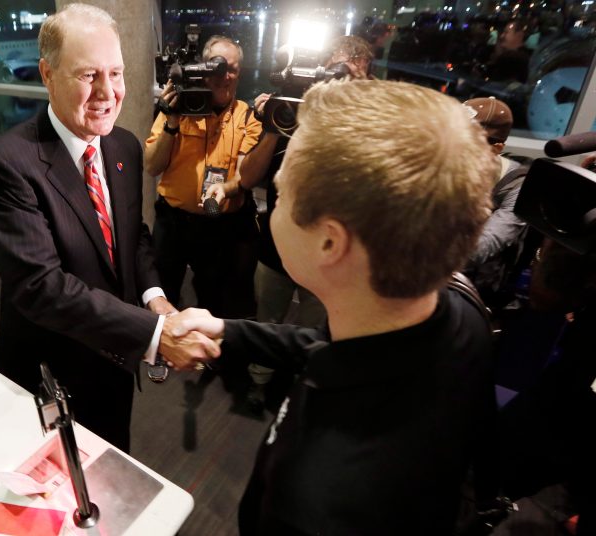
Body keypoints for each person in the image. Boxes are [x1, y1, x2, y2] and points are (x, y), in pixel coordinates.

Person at [170, 79, 499, 534]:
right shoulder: (457, 312)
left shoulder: (314, 501)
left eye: (282, 194)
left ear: (329, 241)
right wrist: (228, 329)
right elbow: (329, 348)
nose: (274, 208)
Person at [0, 4, 218, 452]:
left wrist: (156, 300)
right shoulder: (7, 164)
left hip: (115, 357)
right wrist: (157, 336)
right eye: (89, 76)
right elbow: (39, 287)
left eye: (117, 73)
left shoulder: (122, 144)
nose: (108, 92)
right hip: (48, 369)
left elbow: (133, 237)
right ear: (48, 75)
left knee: (112, 465)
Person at [206, 36, 375, 413]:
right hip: (277, 249)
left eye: (353, 79)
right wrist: (273, 125)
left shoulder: (368, 131)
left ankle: (302, 390)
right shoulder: (295, 113)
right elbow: (247, 178)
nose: (342, 88)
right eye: (336, 76)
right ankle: (260, 381)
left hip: (331, 257)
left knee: (317, 331)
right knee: (268, 319)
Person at [144, 35, 263, 319]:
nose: (225, 76)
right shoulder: (179, 108)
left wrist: (227, 188)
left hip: (220, 227)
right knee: (163, 294)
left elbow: (244, 176)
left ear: (240, 72)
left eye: (232, 68)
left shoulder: (247, 117)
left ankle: (213, 359)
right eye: (217, 68)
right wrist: (171, 121)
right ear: (204, 69)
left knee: (215, 300)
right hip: (173, 222)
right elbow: (152, 166)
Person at [462, 97, 531, 306]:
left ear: (496, 148)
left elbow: (483, 245)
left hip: (472, 291)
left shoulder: (517, 185)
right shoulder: (443, 161)